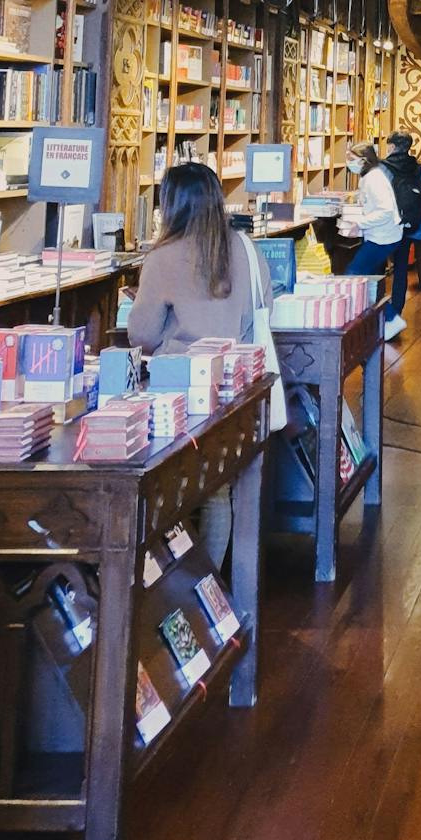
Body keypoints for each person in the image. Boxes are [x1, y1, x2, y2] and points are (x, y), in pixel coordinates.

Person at [128, 162, 273, 566]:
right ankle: (211, 583)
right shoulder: (245, 248)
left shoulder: (163, 258)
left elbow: (141, 334)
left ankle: (173, 581)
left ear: (170, 204)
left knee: (163, 485)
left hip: (179, 389)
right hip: (236, 384)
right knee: (218, 490)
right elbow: (264, 308)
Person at [343, 139, 408, 339]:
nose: (349, 163)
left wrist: (360, 224)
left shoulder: (373, 179)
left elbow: (385, 210)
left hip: (382, 237)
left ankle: (390, 318)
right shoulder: (372, 176)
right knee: (366, 279)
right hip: (382, 235)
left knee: (353, 276)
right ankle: (383, 319)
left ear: (364, 160)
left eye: (351, 159)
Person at [380, 130, 421, 326]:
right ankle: (396, 311)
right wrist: (413, 211)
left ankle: (377, 310)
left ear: (392, 147)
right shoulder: (417, 169)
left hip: (384, 225)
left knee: (377, 268)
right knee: (401, 268)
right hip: (408, 226)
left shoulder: (382, 168)